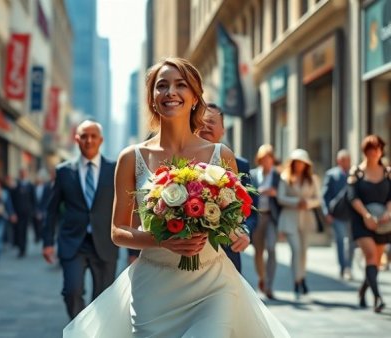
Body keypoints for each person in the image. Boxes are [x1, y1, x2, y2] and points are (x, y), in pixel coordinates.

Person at [63, 57, 289, 337]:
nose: (170, 92)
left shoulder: (222, 155)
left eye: (180, 85)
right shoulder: (131, 158)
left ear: (195, 97)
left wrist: (237, 232)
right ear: (152, 98)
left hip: (213, 285)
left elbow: (232, 216)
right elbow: (118, 231)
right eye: (161, 86)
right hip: (154, 286)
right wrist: (163, 240)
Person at [43, 120, 119, 320]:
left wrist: (134, 249)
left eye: (93, 136)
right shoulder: (64, 171)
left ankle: (97, 331)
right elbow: (51, 210)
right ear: (76, 139)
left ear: (101, 140)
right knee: (72, 291)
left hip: (105, 242)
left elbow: (127, 207)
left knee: (104, 298)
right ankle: (81, 328)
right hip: (73, 242)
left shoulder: (115, 169)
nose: (89, 140)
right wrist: (48, 242)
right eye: (84, 136)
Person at [199, 103, 255, 272]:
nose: (206, 126)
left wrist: (244, 231)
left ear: (223, 130)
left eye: (211, 121)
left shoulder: (240, 165)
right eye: (201, 121)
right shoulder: (179, 163)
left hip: (226, 254)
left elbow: (250, 207)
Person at [347, 135, 391, 313]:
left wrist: (388, 212)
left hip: (383, 222)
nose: (374, 152)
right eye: (370, 149)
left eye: (377, 149)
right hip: (361, 221)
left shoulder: (388, 172)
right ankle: (378, 298)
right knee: (371, 255)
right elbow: (352, 197)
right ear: (364, 151)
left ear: (381, 150)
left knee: (375, 262)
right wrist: (366, 215)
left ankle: (363, 290)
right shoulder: (356, 172)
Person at [277, 149, 321, 299]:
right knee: (296, 250)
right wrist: (296, 202)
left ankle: (302, 278)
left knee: (303, 251)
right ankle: (297, 281)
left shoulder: (313, 179)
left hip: (306, 219)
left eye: (302, 163)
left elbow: (318, 199)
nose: (299, 165)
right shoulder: (285, 177)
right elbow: (280, 198)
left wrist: (307, 203)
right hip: (289, 219)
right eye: (296, 162)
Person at [250, 144, 281, 299]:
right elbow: (248, 194)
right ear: (259, 160)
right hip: (257, 216)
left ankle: (269, 285)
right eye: (263, 159)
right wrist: (260, 191)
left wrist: (275, 193)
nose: (266, 162)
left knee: (272, 248)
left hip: (271, 217)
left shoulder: (277, 176)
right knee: (258, 251)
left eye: (269, 159)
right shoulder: (253, 175)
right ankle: (261, 277)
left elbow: (282, 196)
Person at [322, 149, 355, 280]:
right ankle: (343, 267)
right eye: (344, 160)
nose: (347, 162)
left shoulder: (354, 174)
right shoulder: (331, 174)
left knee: (351, 243)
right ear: (339, 160)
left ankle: (349, 267)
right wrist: (326, 213)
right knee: (341, 241)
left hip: (352, 215)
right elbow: (324, 195)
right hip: (337, 215)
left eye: (348, 160)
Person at [13, 169, 36, 258]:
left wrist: (34, 211)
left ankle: (24, 248)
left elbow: (33, 199)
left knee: (25, 230)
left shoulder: (30, 186)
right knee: (19, 230)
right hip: (18, 212)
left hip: (27, 212)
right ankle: (20, 248)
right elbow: (13, 199)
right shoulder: (16, 186)